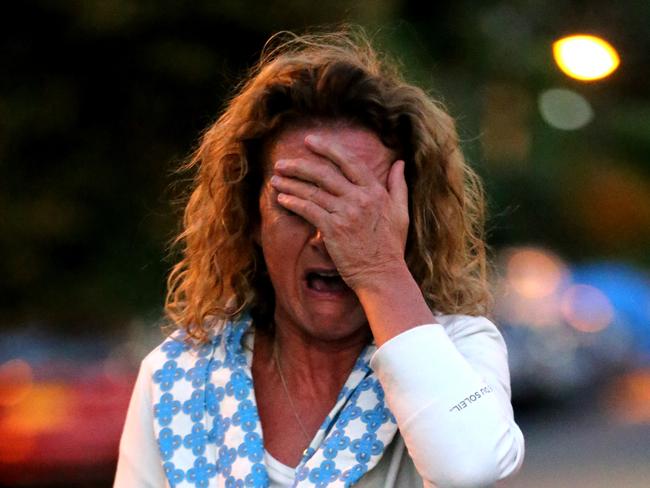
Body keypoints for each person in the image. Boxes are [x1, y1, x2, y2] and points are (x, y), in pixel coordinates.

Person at [114, 28, 525, 488]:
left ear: (410, 220)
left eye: (359, 207)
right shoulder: (178, 379)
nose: (329, 234)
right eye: (298, 201)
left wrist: (378, 270)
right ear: (250, 217)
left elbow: (467, 467)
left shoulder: (458, 349)